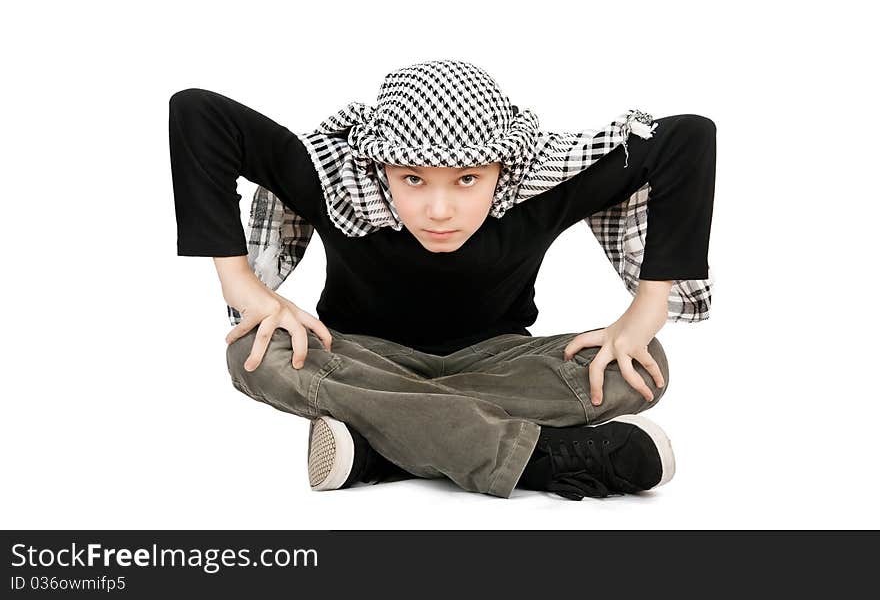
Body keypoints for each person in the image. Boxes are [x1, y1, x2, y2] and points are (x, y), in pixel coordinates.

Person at [167, 59, 716, 501]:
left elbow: (686, 139)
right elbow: (197, 113)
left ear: (504, 169)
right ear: (379, 167)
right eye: (412, 178)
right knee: (254, 353)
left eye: (467, 179)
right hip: (358, 355)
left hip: (500, 362)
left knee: (641, 367)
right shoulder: (338, 181)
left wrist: (648, 310)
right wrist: (239, 284)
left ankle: (381, 446)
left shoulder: (540, 187)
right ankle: (544, 460)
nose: (438, 208)